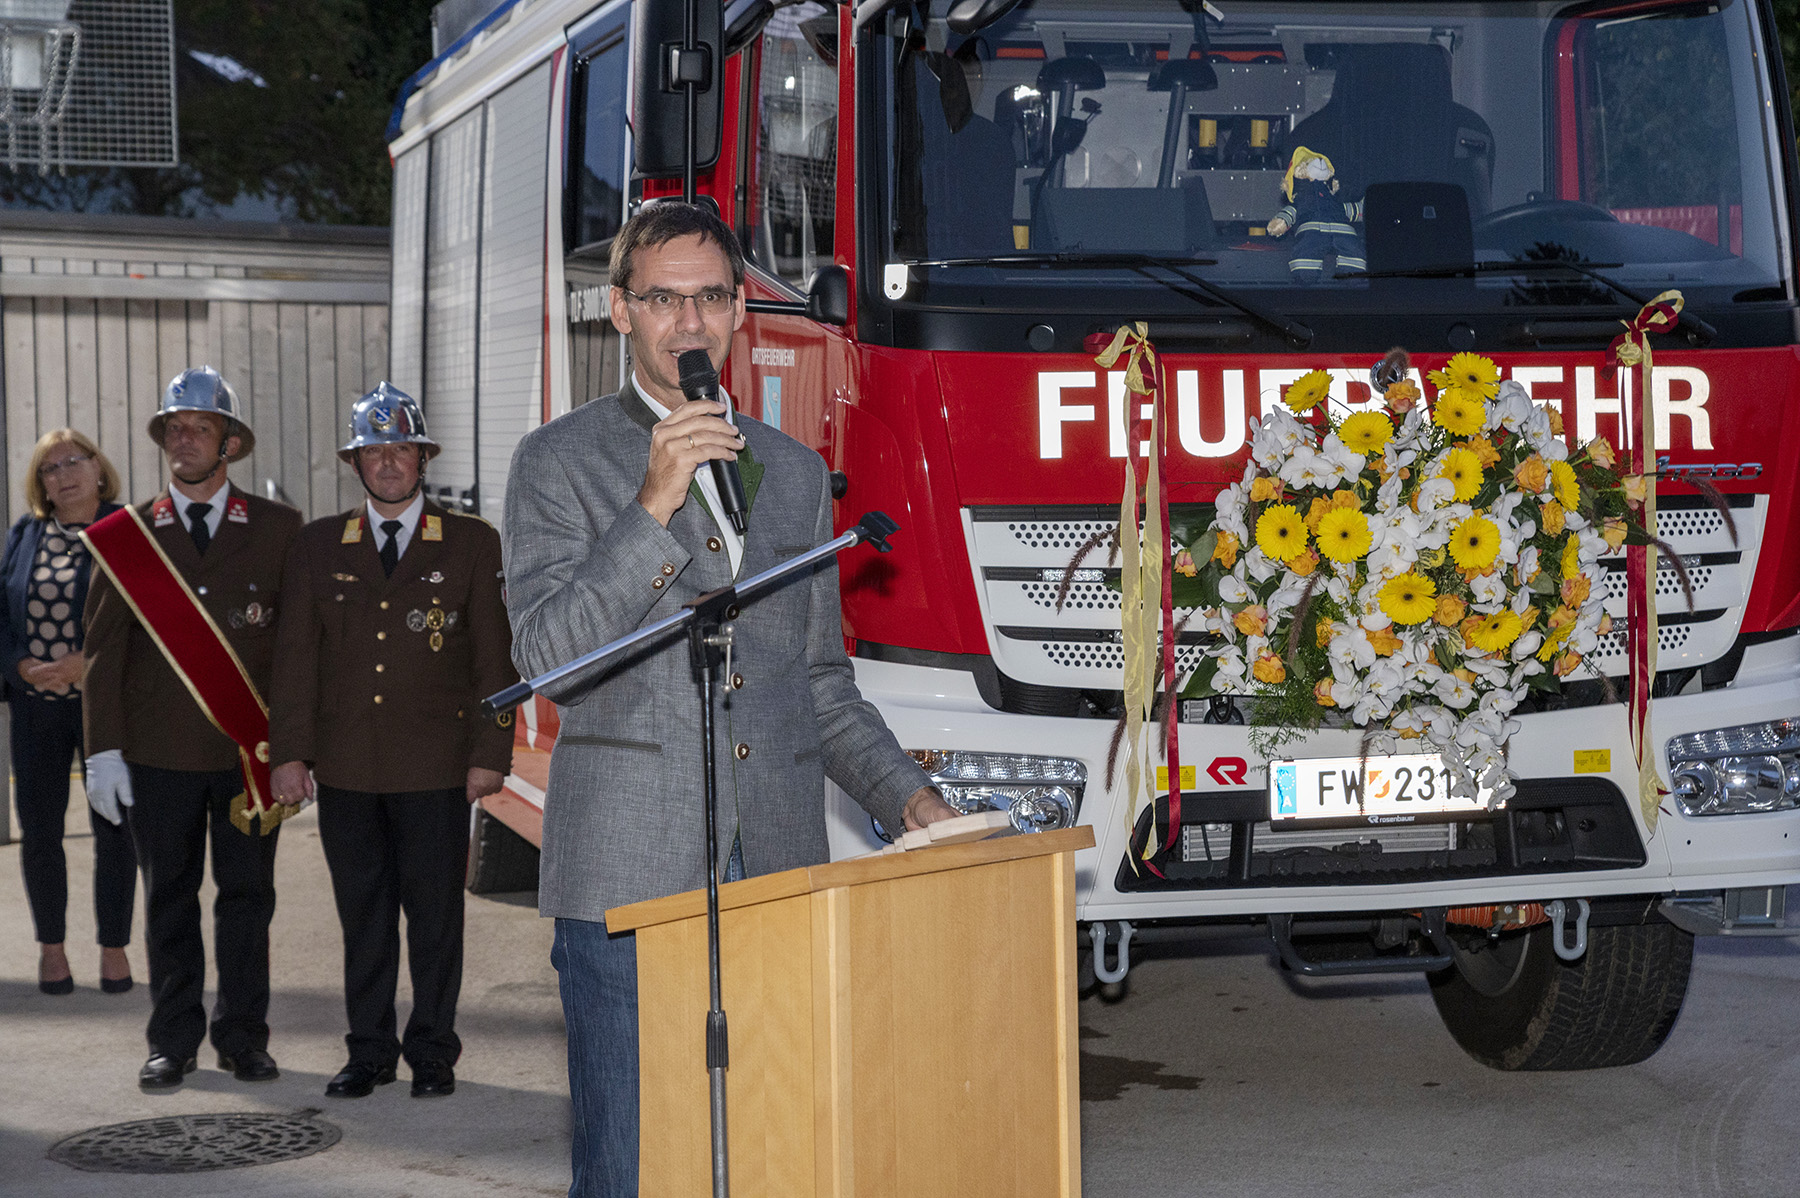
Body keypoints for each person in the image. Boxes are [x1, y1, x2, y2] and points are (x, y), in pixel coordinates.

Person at [501, 201, 959, 1195]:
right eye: (663, 298)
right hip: (626, 871)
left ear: (741, 309)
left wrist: (914, 803)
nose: (689, 322)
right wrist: (653, 504)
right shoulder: (558, 462)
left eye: (710, 295)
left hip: (777, 865)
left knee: (769, 1150)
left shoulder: (792, 474)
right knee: (631, 1163)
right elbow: (551, 659)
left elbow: (820, 683)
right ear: (620, 312)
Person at [267, 383, 517, 1101]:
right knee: (364, 921)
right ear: (356, 463)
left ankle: (433, 1053)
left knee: (436, 922)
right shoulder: (317, 545)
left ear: (422, 457)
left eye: (400, 448)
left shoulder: (471, 542)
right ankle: (369, 1051)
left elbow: (493, 664)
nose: (388, 462)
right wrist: (290, 752)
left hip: (436, 770)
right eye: (374, 450)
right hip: (347, 771)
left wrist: (488, 754)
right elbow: (295, 660)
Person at [81, 366, 303, 1092]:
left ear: (228, 443)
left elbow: (297, 652)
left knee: (247, 902)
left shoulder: (276, 530)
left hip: (248, 757)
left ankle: (244, 1037)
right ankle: (171, 1040)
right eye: (173, 427)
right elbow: (104, 655)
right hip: (158, 756)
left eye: (198, 427)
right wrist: (103, 750)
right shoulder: (127, 538)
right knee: (168, 898)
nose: (183, 438)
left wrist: (296, 750)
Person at [2, 429, 135, 995]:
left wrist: (91, 663)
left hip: (105, 709)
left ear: (99, 470)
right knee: (40, 833)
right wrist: (22, 666)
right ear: (43, 487)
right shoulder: (25, 534)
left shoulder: (128, 531)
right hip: (36, 708)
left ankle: (114, 949)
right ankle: (51, 951)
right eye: (50, 469)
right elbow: (2, 614)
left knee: (115, 830)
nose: (64, 474)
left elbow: (145, 619)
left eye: (74, 461)